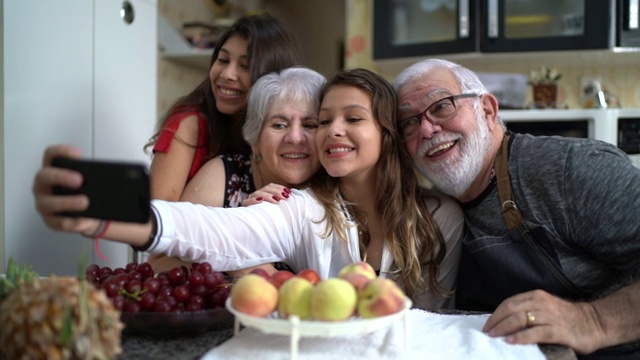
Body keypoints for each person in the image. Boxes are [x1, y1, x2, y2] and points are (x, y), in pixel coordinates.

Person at [32, 68, 464, 309]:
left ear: (386, 135)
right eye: (325, 120)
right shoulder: (302, 207)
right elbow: (212, 231)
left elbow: (434, 321)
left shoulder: (441, 217)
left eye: (351, 119)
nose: (331, 131)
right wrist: (107, 215)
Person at [393, 58, 640, 358]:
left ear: (487, 110)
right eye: (408, 122)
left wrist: (593, 321)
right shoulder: (431, 212)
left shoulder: (570, 169)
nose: (427, 130)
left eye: (442, 106)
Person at [148, 66, 326, 273]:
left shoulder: (335, 185)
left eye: (310, 125)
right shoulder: (224, 174)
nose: (295, 137)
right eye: (279, 125)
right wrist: (239, 257)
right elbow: (158, 261)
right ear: (254, 140)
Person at [147, 13, 303, 201]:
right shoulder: (190, 125)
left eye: (245, 66)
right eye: (223, 60)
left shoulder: (281, 133)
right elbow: (159, 216)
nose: (228, 74)